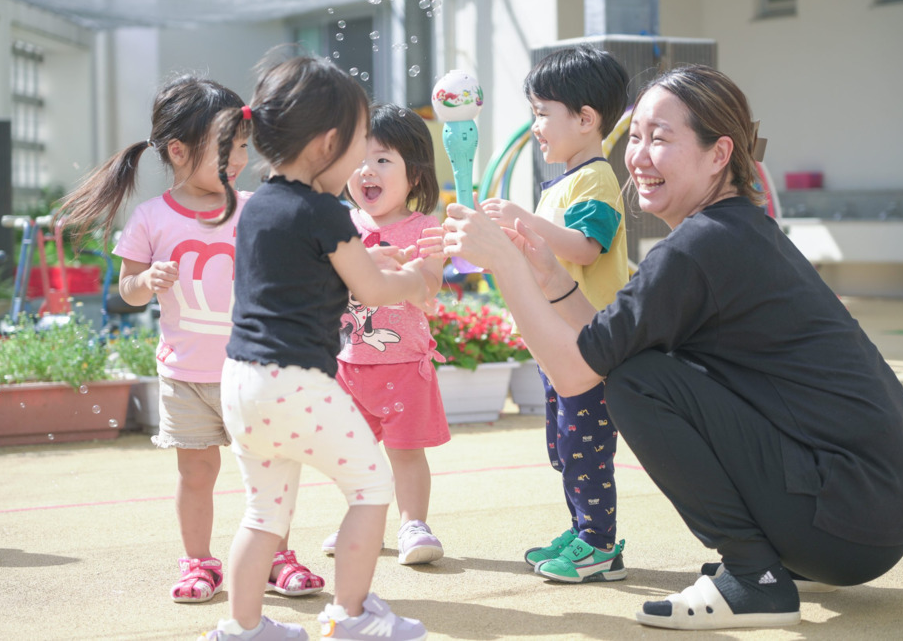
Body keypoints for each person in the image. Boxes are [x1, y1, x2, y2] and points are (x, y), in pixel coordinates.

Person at [428, 64, 903, 631]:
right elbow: (602, 338)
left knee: (635, 381)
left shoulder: (698, 249)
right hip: (871, 509)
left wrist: (505, 264)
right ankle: (767, 561)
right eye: (635, 137)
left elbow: (575, 373)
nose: (638, 156)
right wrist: (548, 278)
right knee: (633, 364)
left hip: (847, 519)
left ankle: (754, 577)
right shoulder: (732, 232)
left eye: (660, 138)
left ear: (720, 154)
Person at [58, 76, 322, 606]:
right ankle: (199, 561)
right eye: (225, 147)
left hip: (255, 371)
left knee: (267, 468)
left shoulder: (254, 207)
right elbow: (126, 292)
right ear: (177, 151)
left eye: (243, 145)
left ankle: (275, 555)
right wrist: (146, 281)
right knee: (196, 472)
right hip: (186, 376)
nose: (238, 158)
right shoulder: (151, 218)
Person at [203, 54, 429, 641]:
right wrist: (416, 281)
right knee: (371, 489)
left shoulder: (259, 208)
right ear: (328, 143)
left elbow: (303, 275)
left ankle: (243, 628)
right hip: (296, 383)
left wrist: (363, 262)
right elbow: (376, 290)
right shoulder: (327, 212)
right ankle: (350, 617)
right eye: (359, 144)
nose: (361, 160)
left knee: (263, 514)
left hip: (240, 384)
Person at [478, 46, 631, 583]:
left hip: (584, 338)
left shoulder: (596, 179)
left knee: (586, 444)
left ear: (586, 119)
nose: (535, 126)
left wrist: (524, 219)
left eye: (543, 113)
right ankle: (583, 528)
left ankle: (599, 544)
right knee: (567, 443)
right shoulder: (566, 181)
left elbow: (587, 247)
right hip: (559, 340)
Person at [319, 103, 448, 566]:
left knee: (406, 453)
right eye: (357, 159)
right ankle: (363, 521)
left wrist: (402, 269)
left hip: (404, 365)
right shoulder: (339, 225)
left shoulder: (425, 226)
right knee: (354, 455)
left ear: (414, 175)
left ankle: (414, 525)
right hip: (348, 365)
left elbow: (430, 281)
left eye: (383, 159)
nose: (366, 170)